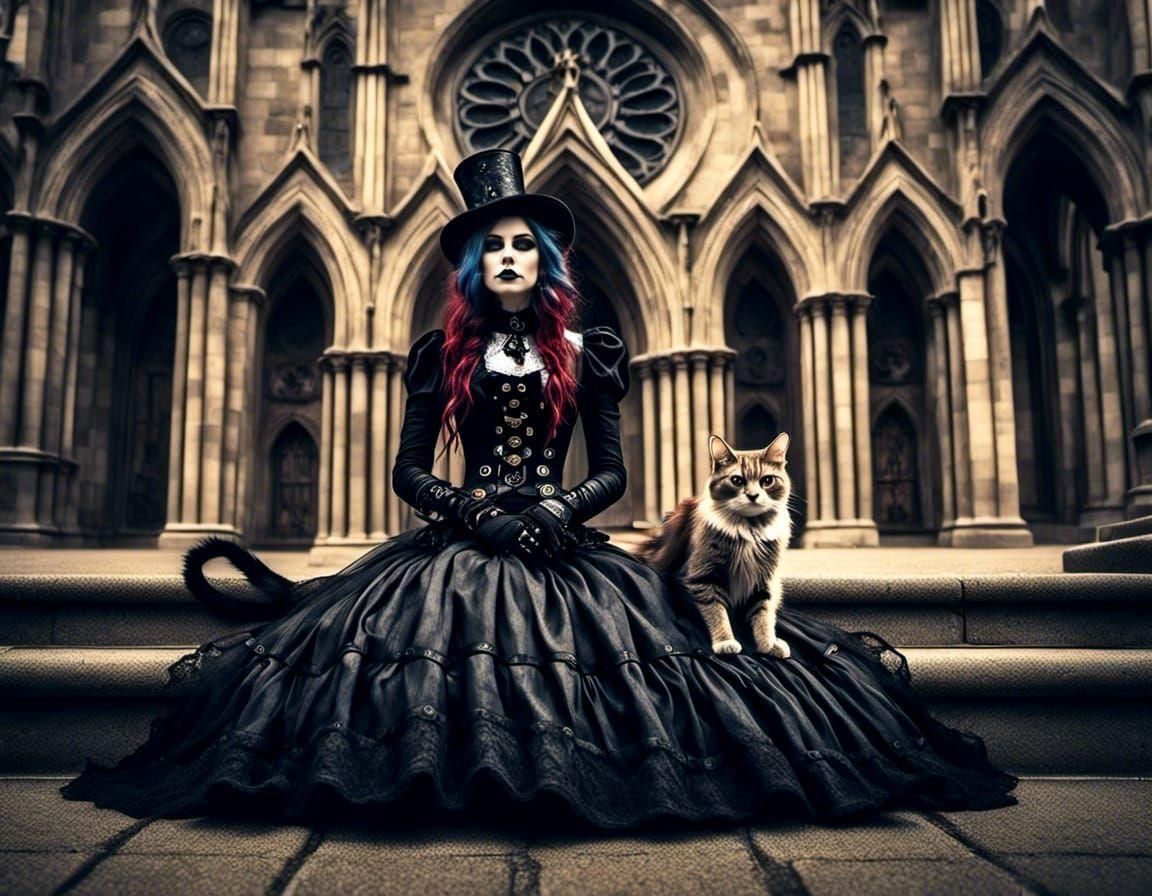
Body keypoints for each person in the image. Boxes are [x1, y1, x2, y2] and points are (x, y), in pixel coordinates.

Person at [63, 149, 1016, 827]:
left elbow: (611, 468)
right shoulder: (441, 354)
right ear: (475, 264)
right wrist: (472, 508)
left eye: (524, 243)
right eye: (494, 246)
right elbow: (406, 469)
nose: (510, 255)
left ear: (546, 260)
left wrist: (561, 506)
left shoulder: (583, 351)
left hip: (559, 540)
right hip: (459, 541)